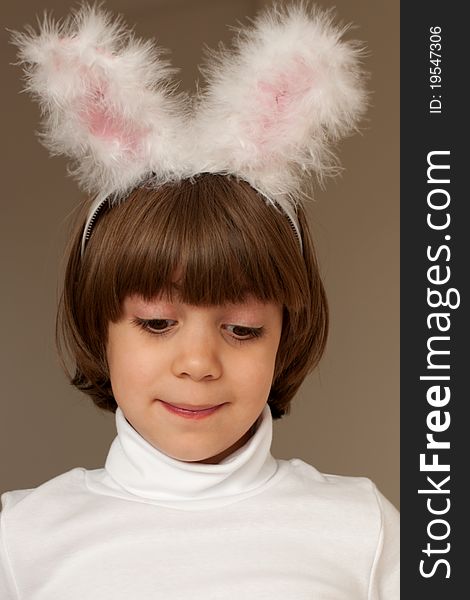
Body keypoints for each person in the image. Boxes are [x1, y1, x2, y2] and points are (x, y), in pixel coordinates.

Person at [1, 2, 399, 598]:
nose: (198, 362)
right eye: (158, 322)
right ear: (99, 328)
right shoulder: (20, 538)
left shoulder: (364, 529)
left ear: (287, 334)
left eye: (241, 329)